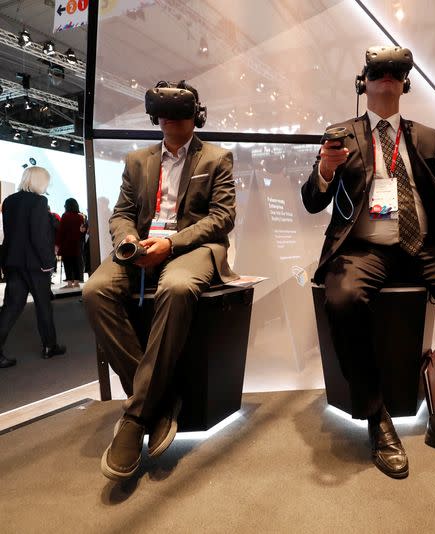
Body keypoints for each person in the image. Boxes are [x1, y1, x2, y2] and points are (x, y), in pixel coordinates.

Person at [302, 46, 435, 479]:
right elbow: (312, 201)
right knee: (342, 301)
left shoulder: (427, 136)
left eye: (396, 73)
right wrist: (324, 169)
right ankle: (377, 417)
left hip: (422, 247)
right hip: (364, 248)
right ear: (364, 83)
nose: (388, 78)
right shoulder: (340, 133)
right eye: (378, 73)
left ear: (405, 83)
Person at [83, 81, 237, 481]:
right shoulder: (137, 160)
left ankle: (136, 417)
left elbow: (222, 218)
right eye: (163, 113)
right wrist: (128, 239)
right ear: (155, 116)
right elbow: (120, 213)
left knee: (178, 287)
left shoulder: (217, 158)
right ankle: (160, 401)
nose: (168, 120)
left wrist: (171, 244)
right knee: (94, 290)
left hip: (191, 248)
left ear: (195, 116)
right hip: (141, 247)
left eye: (178, 113)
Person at [0, 166, 67, 368]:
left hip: (13, 262)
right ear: (40, 181)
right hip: (35, 264)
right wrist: (48, 263)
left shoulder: (9, 201)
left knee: (11, 308)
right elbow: (38, 236)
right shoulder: (39, 201)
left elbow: (11, 234)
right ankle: (49, 346)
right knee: (43, 305)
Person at [56, 198, 87, 288]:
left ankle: (69, 283)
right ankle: (77, 282)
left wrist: (57, 243)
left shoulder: (65, 216)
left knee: (68, 263)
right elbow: (83, 231)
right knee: (76, 263)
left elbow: (61, 231)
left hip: (66, 244)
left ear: (67, 205)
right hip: (77, 244)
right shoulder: (80, 217)